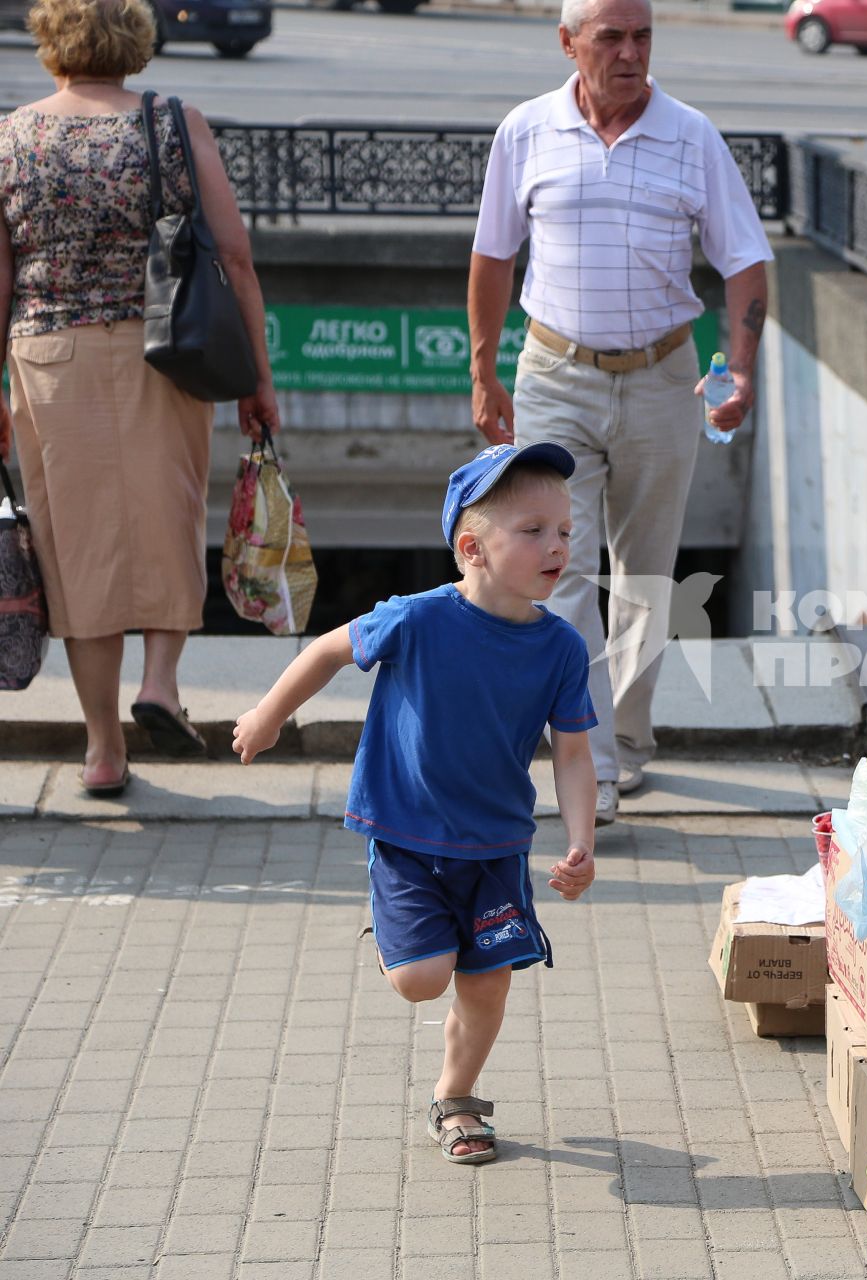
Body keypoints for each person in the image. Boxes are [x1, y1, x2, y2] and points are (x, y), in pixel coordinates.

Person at [232, 444, 600, 1165]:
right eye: (533, 531)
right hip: (405, 835)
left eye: (565, 530)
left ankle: (456, 1100)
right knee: (422, 980)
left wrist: (581, 840)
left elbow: (575, 754)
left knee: (487, 986)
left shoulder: (561, 648)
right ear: (473, 548)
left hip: (496, 847)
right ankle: (401, 932)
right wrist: (269, 715)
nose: (556, 545)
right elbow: (327, 652)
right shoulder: (418, 619)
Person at [468, 0, 774, 825]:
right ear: (569, 43)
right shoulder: (525, 130)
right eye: (612, 37)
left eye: (642, 36)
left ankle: (627, 742)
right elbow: (493, 254)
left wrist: (738, 368)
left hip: (662, 380)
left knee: (642, 578)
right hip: (554, 374)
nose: (631, 53)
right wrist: (482, 368)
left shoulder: (692, 135)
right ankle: (590, 763)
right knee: (558, 570)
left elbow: (746, 261)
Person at [0, 0, 278, 796]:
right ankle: (159, 683)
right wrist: (257, 378)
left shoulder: (14, 134)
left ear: (50, 41)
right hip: (167, 350)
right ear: (136, 40)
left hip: (49, 356)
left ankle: (101, 752)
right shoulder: (171, 123)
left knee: (74, 548)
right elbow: (235, 253)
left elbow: (1, 271)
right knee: (168, 513)